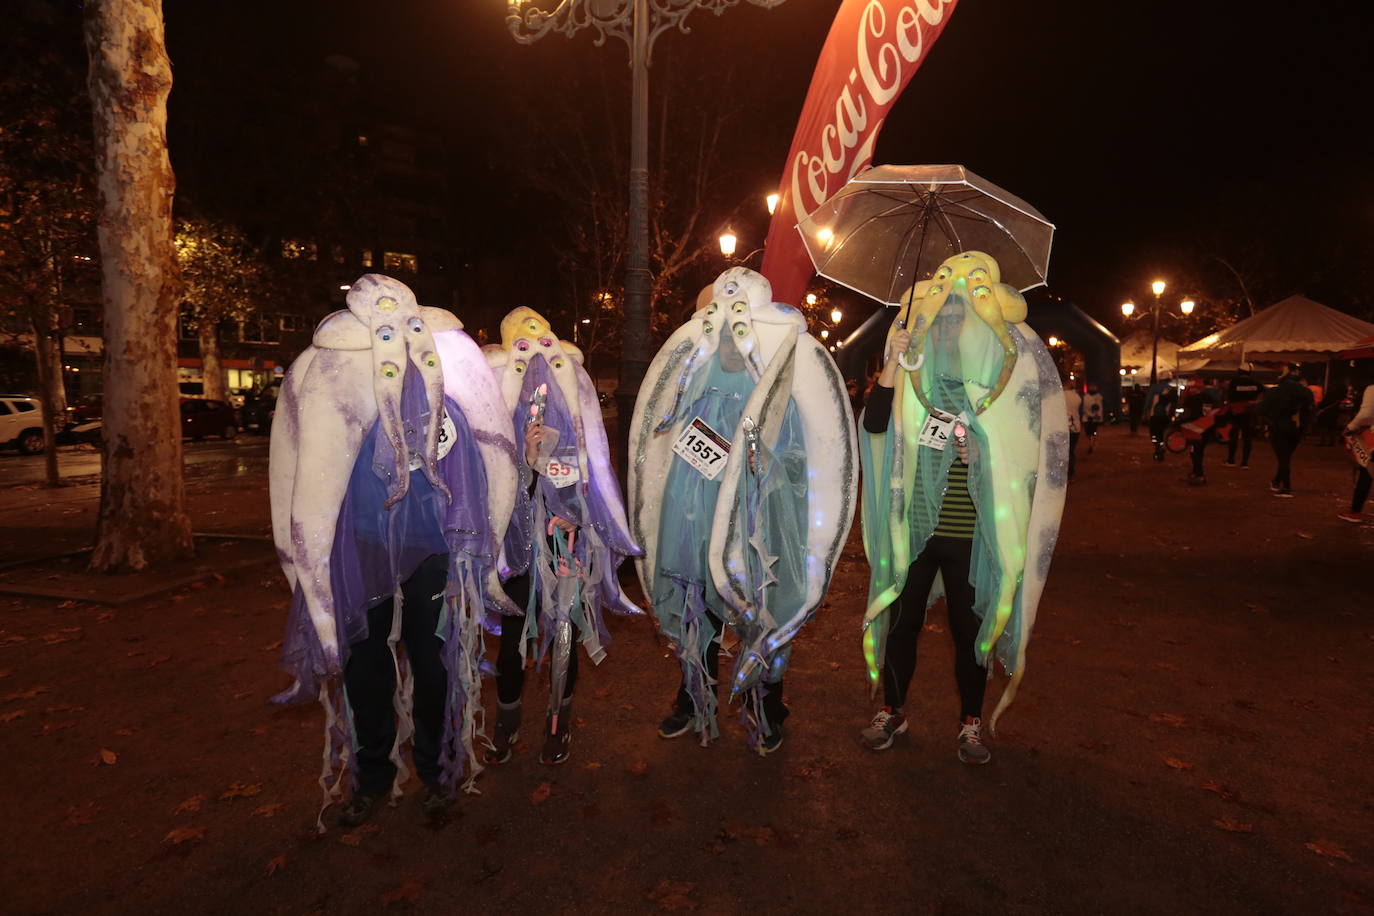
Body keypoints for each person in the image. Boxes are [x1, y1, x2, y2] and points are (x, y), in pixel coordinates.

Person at [483, 308, 642, 767]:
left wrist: (576, 515)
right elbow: (490, 486)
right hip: (514, 545)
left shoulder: (575, 407)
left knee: (566, 630)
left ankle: (558, 722)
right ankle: (507, 722)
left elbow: (589, 474)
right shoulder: (496, 409)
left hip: (564, 543)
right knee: (513, 633)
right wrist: (526, 461)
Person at [1257, 364, 1315, 498]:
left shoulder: (1275, 392)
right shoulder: (1306, 392)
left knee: (1283, 458)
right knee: (1285, 456)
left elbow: (1262, 410)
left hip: (1279, 427)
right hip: (1297, 429)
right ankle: (1277, 481)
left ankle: (1286, 487)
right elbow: (1311, 410)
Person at [1338, 381, 1374, 523]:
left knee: (1367, 474)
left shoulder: (1372, 389)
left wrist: (1350, 427)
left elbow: (1366, 414)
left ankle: (1355, 512)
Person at [1221, 366, 1263, 468]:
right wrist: (1254, 402)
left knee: (1233, 436)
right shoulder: (1255, 383)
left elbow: (1229, 396)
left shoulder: (1234, 382)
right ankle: (1245, 462)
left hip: (1235, 411)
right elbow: (1264, 394)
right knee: (1247, 438)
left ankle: (1231, 460)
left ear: (1239, 372)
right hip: (1249, 412)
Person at [1145, 379, 1177, 462]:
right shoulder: (1171, 389)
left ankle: (1157, 447)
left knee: (1154, 433)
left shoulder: (1154, 388)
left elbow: (1148, 400)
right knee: (1161, 432)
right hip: (1165, 416)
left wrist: (1145, 412)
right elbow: (1175, 403)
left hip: (1155, 415)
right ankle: (1160, 446)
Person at [1063, 382, 1082, 481]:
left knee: (1064, 451)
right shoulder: (1077, 397)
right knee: (1071, 451)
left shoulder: (1060, 395)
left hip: (1063, 426)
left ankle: (1066, 473)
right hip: (1075, 427)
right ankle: (1071, 473)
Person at [1082, 382, 1104, 451]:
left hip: (1095, 418)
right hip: (1087, 418)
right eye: (1091, 387)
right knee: (1088, 432)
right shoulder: (1086, 397)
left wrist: (1097, 415)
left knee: (1093, 431)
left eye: (1094, 387)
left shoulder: (1099, 397)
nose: (1092, 388)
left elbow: (1099, 407)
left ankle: (1091, 443)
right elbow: (1084, 407)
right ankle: (1091, 441)